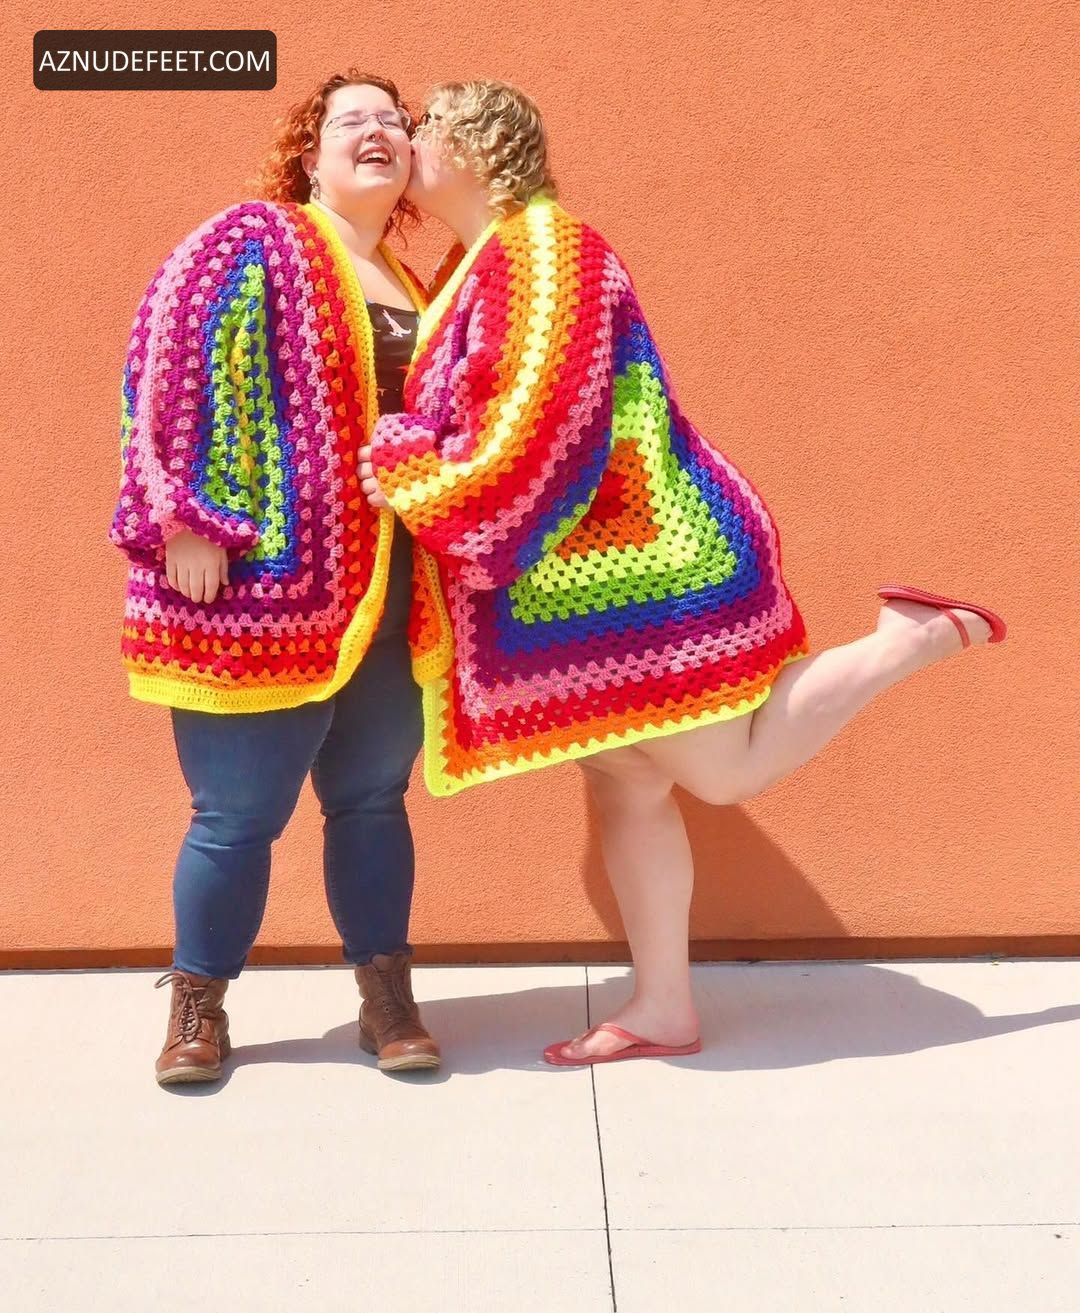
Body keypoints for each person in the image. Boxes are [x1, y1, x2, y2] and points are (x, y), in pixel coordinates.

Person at [359, 79, 1007, 1067]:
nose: (411, 139)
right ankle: (663, 1004)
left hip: (642, 573)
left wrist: (409, 466)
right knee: (627, 783)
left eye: (428, 125)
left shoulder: (547, 251)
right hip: (585, 586)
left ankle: (903, 640)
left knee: (725, 768)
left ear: (481, 147)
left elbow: (536, 430)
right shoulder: (483, 260)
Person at [110, 68, 443, 1085]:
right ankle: (197, 1006)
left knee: (374, 796)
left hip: (388, 588)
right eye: (352, 121)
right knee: (236, 812)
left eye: (393, 121)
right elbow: (167, 363)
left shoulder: (409, 279)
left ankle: (386, 996)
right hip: (258, 593)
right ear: (309, 153)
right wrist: (184, 517)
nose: (377, 132)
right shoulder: (253, 237)